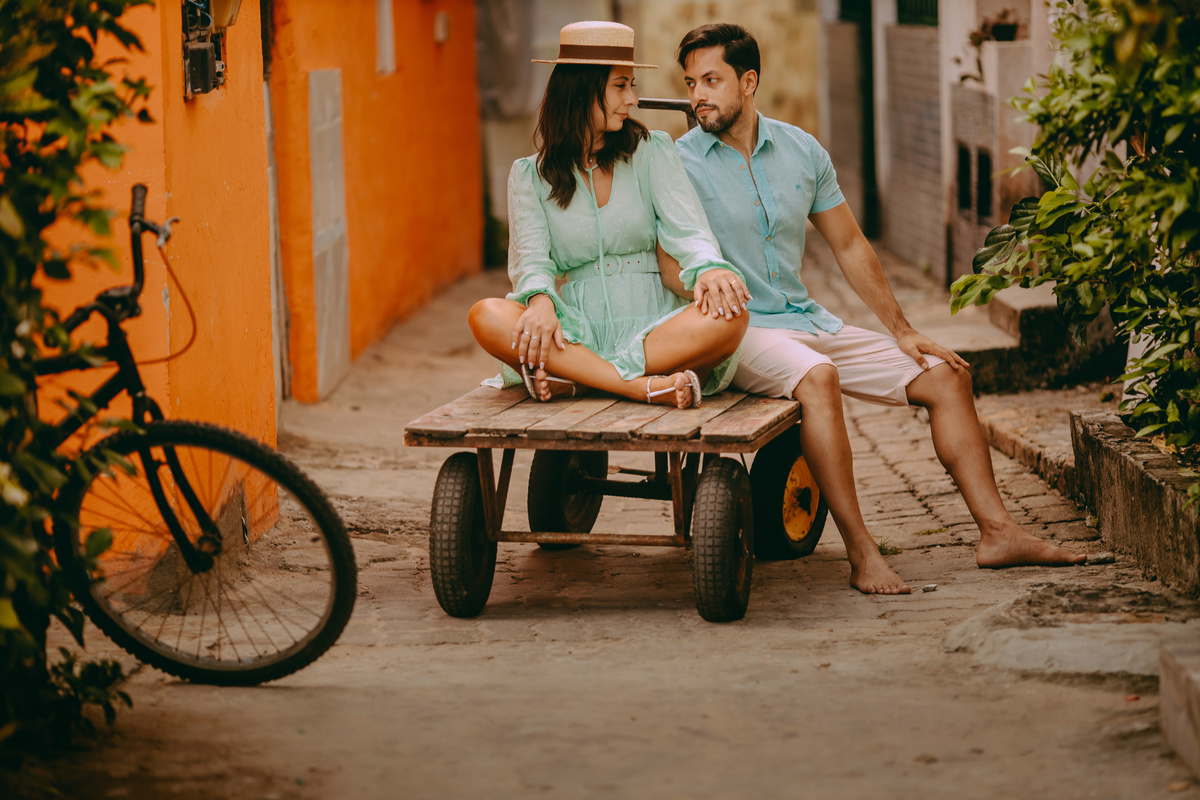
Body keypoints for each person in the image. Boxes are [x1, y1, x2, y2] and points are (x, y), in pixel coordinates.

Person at [662, 23, 1086, 594]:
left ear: (750, 81)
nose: (698, 97)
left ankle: (998, 532)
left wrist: (902, 330)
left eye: (711, 80)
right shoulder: (677, 164)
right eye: (691, 83)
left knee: (946, 376)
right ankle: (863, 554)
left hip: (805, 320)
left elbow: (850, 245)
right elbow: (667, 262)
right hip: (735, 334)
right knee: (820, 377)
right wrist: (700, 284)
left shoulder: (801, 150)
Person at [469, 21, 749, 410]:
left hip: (656, 333)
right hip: (573, 334)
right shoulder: (529, 175)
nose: (632, 99)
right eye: (621, 86)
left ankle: (585, 380)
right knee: (486, 315)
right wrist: (540, 301)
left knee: (730, 317)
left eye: (631, 85)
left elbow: (689, 229)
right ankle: (635, 387)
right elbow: (531, 262)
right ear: (583, 89)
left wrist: (709, 268)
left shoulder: (652, 150)